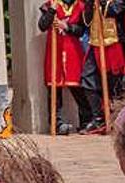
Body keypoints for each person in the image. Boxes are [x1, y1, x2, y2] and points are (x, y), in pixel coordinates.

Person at [38, 0, 91, 134]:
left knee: (78, 88)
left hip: (73, 51)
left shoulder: (80, 6)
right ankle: (57, 123)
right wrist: (52, 11)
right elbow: (43, 26)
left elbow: (81, 30)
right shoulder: (51, 4)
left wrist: (66, 26)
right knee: (55, 88)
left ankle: (86, 121)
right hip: (55, 50)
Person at [81, 0, 125, 134]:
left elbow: (115, 11)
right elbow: (86, 21)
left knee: (114, 82)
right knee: (87, 78)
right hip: (95, 42)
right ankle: (98, 117)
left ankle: (115, 117)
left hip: (114, 43)